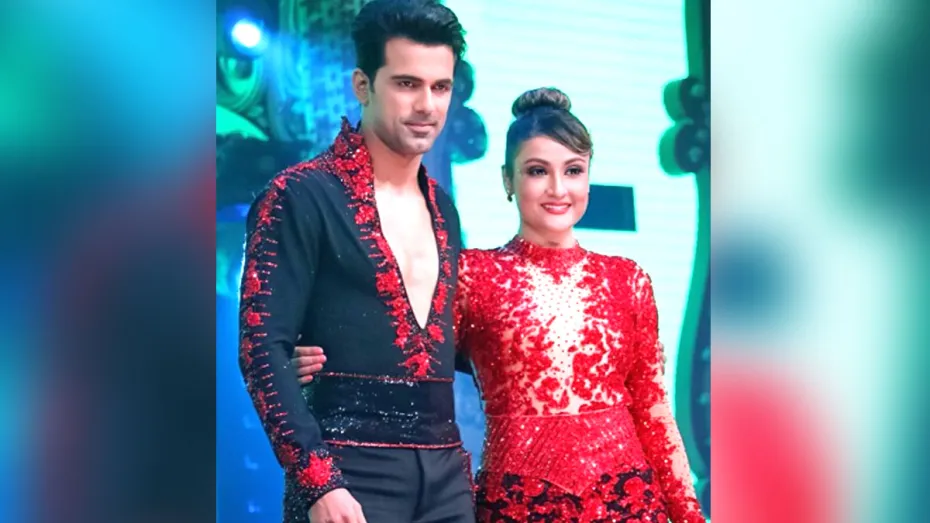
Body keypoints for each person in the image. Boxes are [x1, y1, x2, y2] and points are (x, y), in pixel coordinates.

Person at [296, 87, 707, 522]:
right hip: (518, 506)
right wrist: (313, 361)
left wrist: (689, 514)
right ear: (507, 180)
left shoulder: (627, 279)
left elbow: (654, 413)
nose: (558, 189)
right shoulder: (472, 275)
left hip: (630, 504)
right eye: (537, 171)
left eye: (573, 170)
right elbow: (399, 355)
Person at [237, 1, 475, 522]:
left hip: (448, 477)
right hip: (349, 471)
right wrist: (318, 483)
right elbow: (262, 348)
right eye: (407, 84)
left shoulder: (444, 209)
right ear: (363, 85)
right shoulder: (300, 195)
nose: (427, 105)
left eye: (440, 87)